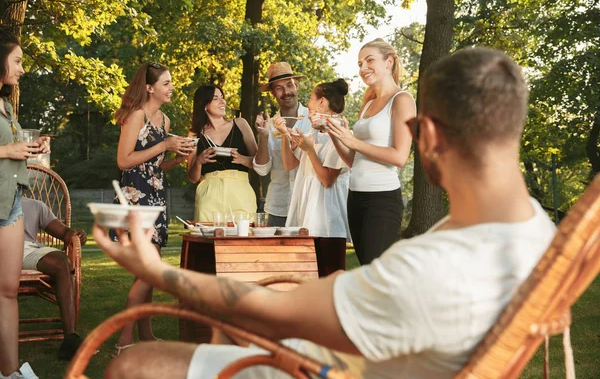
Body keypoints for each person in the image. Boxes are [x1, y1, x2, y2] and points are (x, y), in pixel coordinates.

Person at [94, 47, 556, 379]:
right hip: (374, 350)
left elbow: (268, 305)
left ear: (425, 136)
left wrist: (155, 271)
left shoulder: (424, 267)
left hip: (325, 367)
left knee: (132, 365)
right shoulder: (537, 234)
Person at [112, 62, 194, 356]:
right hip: (136, 198)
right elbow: (124, 161)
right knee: (149, 270)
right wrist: (164, 146)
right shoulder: (136, 115)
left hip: (157, 197)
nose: (172, 87)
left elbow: (156, 166)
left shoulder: (164, 121)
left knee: (146, 273)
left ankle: (145, 334)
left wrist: (179, 155)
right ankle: (123, 340)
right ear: (150, 87)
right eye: (167, 83)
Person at [328, 38, 415, 265]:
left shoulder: (402, 100)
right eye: (359, 64)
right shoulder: (367, 104)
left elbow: (399, 157)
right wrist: (335, 134)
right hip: (355, 197)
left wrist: (354, 142)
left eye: (369, 61)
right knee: (368, 271)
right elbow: (353, 160)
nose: (363, 68)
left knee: (374, 274)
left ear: (389, 62)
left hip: (382, 199)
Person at [0, 28, 48, 379]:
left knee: (8, 290)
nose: (21, 68)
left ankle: (10, 372)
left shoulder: (4, 104)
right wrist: (7, 150)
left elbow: (13, 151)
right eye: (17, 61)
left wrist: (35, 147)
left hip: (10, 201)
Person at [275, 79, 351, 276]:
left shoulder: (341, 133)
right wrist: (284, 134)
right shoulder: (313, 132)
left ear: (322, 102)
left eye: (310, 98)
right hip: (307, 218)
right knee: (307, 280)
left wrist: (309, 150)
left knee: (329, 279)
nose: (307, 104)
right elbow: (290, 164)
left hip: (328, 223)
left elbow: (327, 180)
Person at [21, 198, 86, 360]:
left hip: (28, 250)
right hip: (4, 250)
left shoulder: (35, 205)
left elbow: (64, 232)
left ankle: (70, 339)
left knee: (62, 262)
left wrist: (75, 235)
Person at [253, 62, 313, 227]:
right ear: (272, 93)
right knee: (277, 253)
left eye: (289, 85)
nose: (286, 92)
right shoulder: (269, 124)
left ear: (297, 85)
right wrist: (263, 137)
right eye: (279, 88)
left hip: (309, 203)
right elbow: (262, 169)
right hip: (278, 207)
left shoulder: (313, 119)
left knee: (311, 253)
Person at [187, 85, 258, 221]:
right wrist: (199, 161)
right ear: (205, 105)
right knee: (208, 238)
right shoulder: (194, 134)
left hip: (240, 191)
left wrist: (242, 159)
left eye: (222, 97)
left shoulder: (240, 124)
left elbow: (259, 162)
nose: (223, 101)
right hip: (209, 195)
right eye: (216, 98)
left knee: (243, 237)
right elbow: (192, 178)